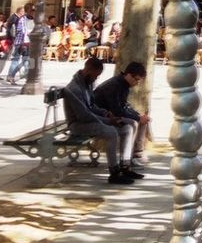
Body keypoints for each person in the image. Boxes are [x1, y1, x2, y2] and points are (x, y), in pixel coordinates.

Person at [60, 56, 143, 185]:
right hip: (78, 124)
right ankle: (114, 173)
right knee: (111, 132)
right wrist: (108, 121)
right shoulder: (74, 89)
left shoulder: (87, 83)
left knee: (127, 127)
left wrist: (106, 114)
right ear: (88, 70)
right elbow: (84, 116)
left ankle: (125, 166)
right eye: (96, 75)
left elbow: (92, 106)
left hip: (91, 120)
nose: (96, 78)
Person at [92, 60, 151, 163]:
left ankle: (137, 153)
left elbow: (124, 105)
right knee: (133, 123)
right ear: (129, 75)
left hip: (109, 115)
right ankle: (130, 157)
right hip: (101, 117)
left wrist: (138, 115)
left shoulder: (123, 84)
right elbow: (117, 110)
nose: (137, 83)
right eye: (136, 80)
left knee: (142, 120)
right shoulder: (115, 86)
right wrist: (137, 118)